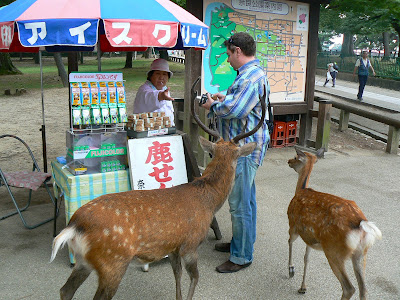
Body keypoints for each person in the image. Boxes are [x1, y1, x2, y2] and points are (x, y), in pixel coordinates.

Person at [201, 32, 270, 273]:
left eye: (230, 53)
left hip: (243, 151)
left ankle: (241, 256)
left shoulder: (250, 78)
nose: (228, 58)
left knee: (239, 204)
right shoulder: (250, 73)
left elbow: (237, 110)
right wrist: (225, 97)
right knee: (247, 201)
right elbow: (240, 102)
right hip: (245, 147)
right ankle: (241, 245)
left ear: (238, 51)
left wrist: (213, 105)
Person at [133, 58, 175, 125]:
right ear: (150, 76)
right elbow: (150, 96)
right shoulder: (144, 90)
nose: (161, 77)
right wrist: (161, 96)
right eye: (158, 73)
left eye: (164, 74)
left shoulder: (165, 89)